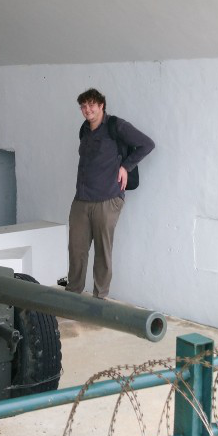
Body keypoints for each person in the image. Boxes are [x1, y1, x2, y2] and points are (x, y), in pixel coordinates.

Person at [66, 88, 155, 300]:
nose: (87, 109)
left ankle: (100, 299)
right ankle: (72, 296)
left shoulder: (117, 126)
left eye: (91, 105)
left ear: (101, 105)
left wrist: (126, 166)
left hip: (108, 199)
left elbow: (147, 144)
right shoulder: (84, 130)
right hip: (81, 199)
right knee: (76, 250)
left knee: (102, 253)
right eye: (83, 106)